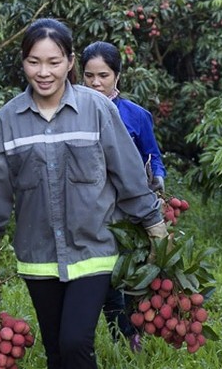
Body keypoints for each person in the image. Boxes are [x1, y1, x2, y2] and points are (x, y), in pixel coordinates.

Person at [0, 18, 169, 369]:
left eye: (54, 62)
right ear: (23, 62)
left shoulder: (97, 109)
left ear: (70, 62)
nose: (43, 72)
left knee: (76, 343)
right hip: (39, 257)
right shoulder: (8, 119)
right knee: (57, 351)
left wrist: (154, 225)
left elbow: (128, 173)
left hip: (94, 250)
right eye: (34, 62)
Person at [81, 41, 168, 351]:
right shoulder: (74, 114)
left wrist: (157, 178)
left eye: (102, 75)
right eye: (89, 76)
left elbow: (152, 155)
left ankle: (132, 335)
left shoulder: (136, 115)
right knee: (105, 278)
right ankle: (125, 338)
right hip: (90, 212)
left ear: (117, 75)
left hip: (128, 213)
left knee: (128, 277)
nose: (95, 83)